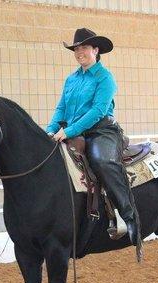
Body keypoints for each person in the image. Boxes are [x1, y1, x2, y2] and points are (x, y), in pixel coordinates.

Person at [46, 28, 139, 245]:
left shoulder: (105, 78)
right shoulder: (71, 79)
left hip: (102, 131)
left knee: (102, 161)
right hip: (72, 130)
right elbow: (61, 108)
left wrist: (68, 131)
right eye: (76, 48)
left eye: (84, 47)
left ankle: (129, 216)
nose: (80, 52)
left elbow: (98, 111)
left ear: (96, 50)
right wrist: (49, 131)